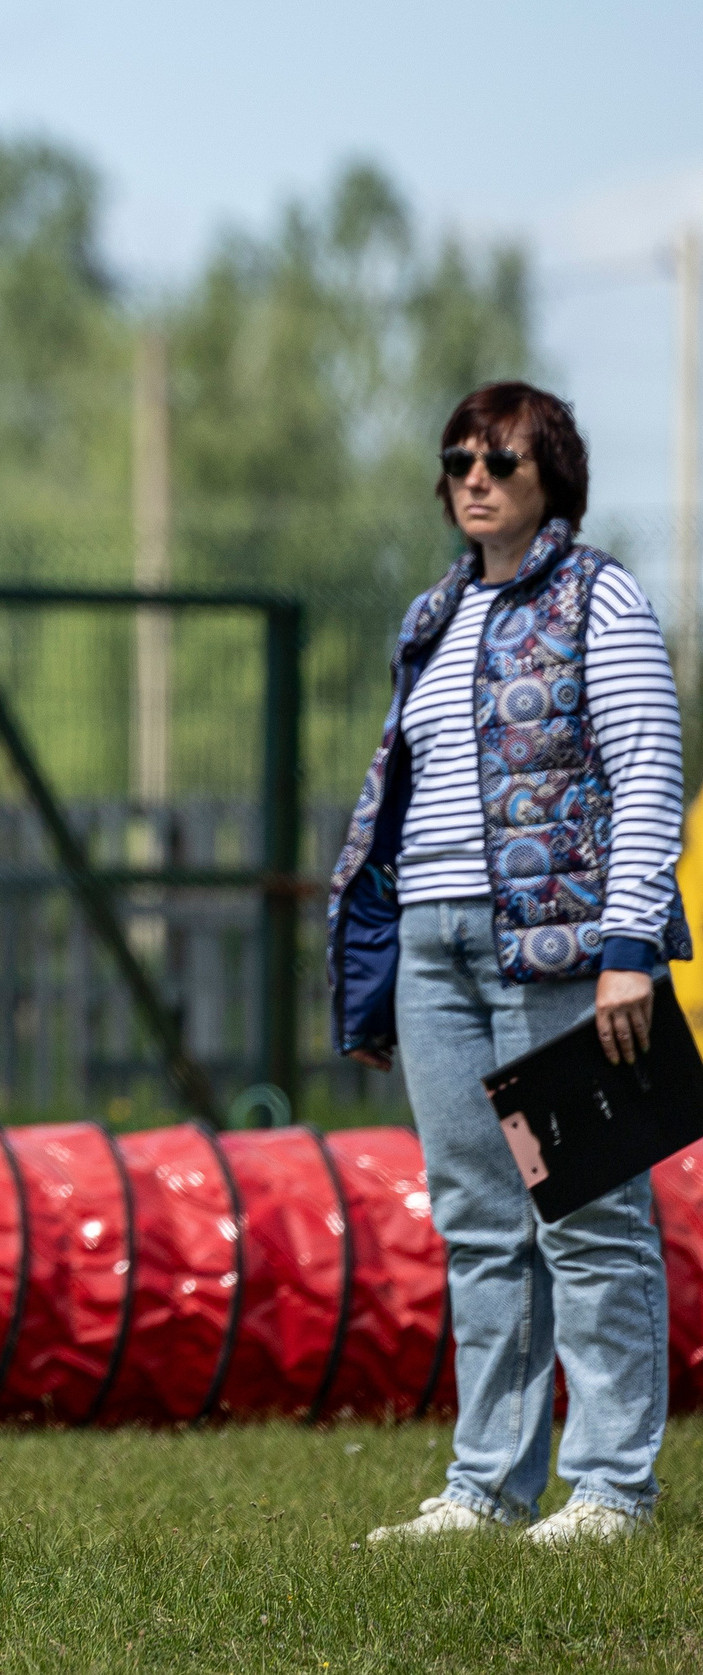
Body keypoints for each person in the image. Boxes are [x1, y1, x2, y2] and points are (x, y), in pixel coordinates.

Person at [330, 382, 686, 1547]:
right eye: (458, 460)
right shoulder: (429, 618)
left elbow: (644, 768)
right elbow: (400, 807)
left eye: (501, 459)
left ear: (552, 479)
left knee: (582, 1211)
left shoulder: (601, 595)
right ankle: (486, 1489)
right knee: (478, 1222)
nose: (474, 477)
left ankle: (610, 1491)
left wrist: (630, 950)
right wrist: (377, 972)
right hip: (434, 952)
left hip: (556, 952)